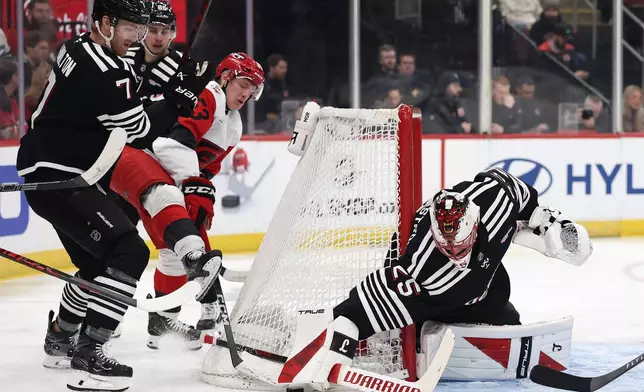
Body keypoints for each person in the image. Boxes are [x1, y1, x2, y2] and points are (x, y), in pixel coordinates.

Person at [15, 0, 212, 390]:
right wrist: (174, 98)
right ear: (105, 24)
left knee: (97, 267)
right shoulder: (108, 70)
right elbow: (136, 129)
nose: (138, 37)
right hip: (62, 178)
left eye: (143, 29)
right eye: (130, 29)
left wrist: (161, 89)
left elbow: (117, 98)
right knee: (130, 252)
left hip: (50, 169)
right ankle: (90, 349)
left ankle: (60, 336)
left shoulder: (76, 48)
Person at [245, 168, 593, 384]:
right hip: (435, 296)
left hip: (485, 284)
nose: (455, 253)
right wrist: (337, 341)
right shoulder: (421, 266)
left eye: (461, 245)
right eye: (448, 247)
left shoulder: (493, 200)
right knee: (401, 327)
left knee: (503, 307)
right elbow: (360, 306)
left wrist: (545, 221)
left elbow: (516, 190)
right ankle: (401, 334)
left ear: (475, 223)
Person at [109, 52, 265, 349]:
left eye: (253, 88)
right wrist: (193, 183)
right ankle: (99, 319)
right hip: (147, 170)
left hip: (172, 179)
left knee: (176, 251)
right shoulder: (211, 96)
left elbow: (211, 166)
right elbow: (173, 144)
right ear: (226, 77)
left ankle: (163, 322)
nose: (247, 92)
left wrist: (200, 187)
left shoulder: (234, 124)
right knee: (177, 248)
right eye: (244, 83)